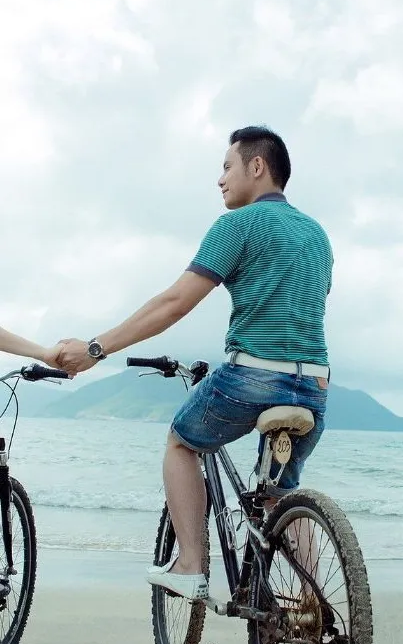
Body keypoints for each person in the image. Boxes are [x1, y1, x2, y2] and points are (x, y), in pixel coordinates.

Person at [57, 126, 333, 601]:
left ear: (257, 166)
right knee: (279, 497)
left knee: (181, 443)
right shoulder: (317, 235)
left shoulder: (237, 225)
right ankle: (314, 601)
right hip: (315, 388)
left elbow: (174, 303)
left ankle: (189, 566)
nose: (220, 179)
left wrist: (97, 347)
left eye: (227, 166)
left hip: (251, 379)